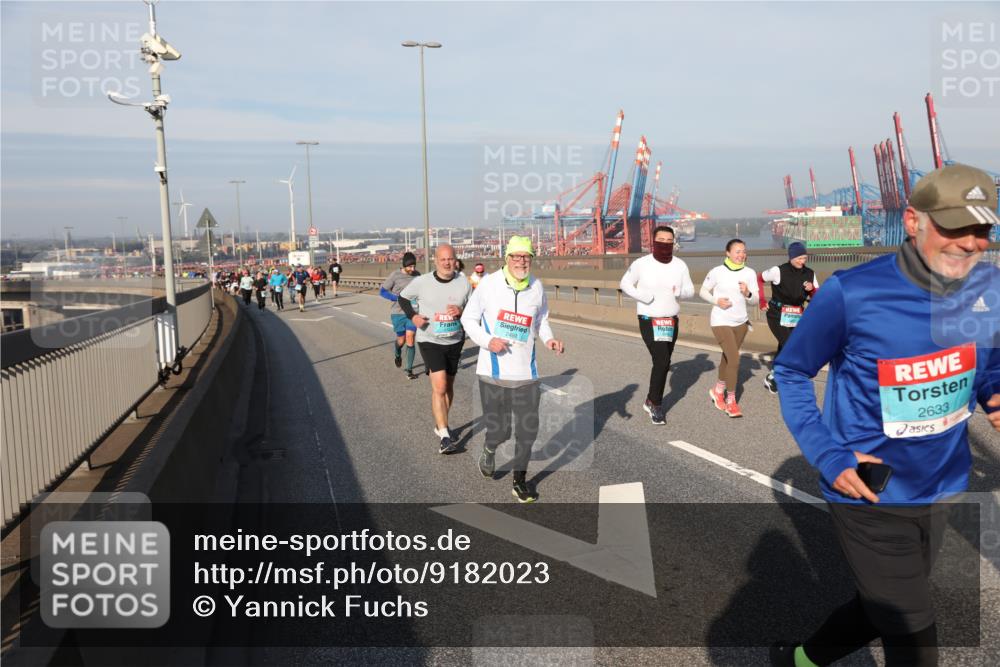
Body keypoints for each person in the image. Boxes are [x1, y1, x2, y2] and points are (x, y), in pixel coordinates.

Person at [771, 164, 1000, 667]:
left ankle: (800, 660)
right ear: (914, 221)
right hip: (870, 491)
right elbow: (790, 373)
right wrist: (828, 455)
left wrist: (994, 394)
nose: (971, 243)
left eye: (982, 230)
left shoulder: (991, 288)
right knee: (913, 632)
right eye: (956, 228)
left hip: (941, 482)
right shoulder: (852, 293)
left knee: (881, 610)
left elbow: (988, 362)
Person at [461, 236, 564, 503]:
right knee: (501, 430)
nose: (521, 261)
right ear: (506, 258)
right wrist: (487, 340)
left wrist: (549, 339)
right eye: (516, 256)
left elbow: (541, 320)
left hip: (527, 374)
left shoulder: (537, 287)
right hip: (492, 373)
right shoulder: (488, 285)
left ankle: (519, 481)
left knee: (527, 431)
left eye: (526, 257)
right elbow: (468, 318)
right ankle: (490, 446)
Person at [398, 244, 471, 454]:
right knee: (439, 386)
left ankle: (442, 425)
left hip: (455, 339)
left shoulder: (463, 282)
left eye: (451, 259)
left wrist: (461, 310)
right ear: (435, 261)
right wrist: (413, 316)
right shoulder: (422, 282)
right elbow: (403, 298)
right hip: (429, 339)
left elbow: (475, 307)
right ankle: (445, 436)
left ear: (456, 260)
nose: (447, 263)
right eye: (443, 259)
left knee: (448, 386)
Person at [620, 225, 694, 424]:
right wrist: (642, 296)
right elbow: (625, 283)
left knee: (665, 361)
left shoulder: (680, 265)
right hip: (649, 319)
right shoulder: (641, 264)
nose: (666, 244)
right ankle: (655, 403)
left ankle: (651, 399)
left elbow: (691, 290)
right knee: (661, 361)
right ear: (653, 241)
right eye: (661, 240)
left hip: (670, 321)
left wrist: (679, 291)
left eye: (670, 241)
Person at [700, 239, 757, 418]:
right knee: (734, 360)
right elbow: (702, 291)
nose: (741, 255)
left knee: (727, 358)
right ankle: (731, 401)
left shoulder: (749, 273)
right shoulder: (717, 272)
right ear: (728, 253)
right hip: (720, 320)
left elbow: (755, 300)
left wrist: (748, 293)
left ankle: (717, 390)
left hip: (741, 322)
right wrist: (716, 301)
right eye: (737, 251)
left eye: (744, 251)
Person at [757, 241, 819, 394]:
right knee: (790, 345)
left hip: (796, 315)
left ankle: (776, 376)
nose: (802, 261)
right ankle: (780, 376)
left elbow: (817, 295)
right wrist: (762, 300)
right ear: (791, 257)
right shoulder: (778, 271)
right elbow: (758, 279)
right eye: (799, 258)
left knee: (786, 346)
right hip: (777, 313)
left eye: (804, 258)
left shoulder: (810, 273)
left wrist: (811, 290)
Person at [380, 252, 420, 379]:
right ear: (404, 265)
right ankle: (397, 353)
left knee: (410, 337)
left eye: (414, 266)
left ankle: (409, 370)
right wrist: (395, 297)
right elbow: (382, 291)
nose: (412, 269)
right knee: (401, 340)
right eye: (410, 267)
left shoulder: (417, 275)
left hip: (413, 312)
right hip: (397, 313)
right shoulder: (395, 275)